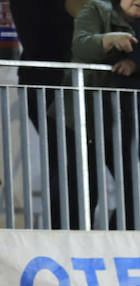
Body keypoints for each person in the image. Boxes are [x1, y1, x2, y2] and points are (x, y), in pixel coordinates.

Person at [72, 0, 140, 230]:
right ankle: (71, 249)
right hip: (87, 117)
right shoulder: (96, 8)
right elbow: (80, 46)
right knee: (82, 187)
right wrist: (107, 40)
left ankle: (117, 245)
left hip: (132, 120)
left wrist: (137, 62)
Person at [8, 0, 81, 229]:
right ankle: (63, 235)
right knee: (68, 167)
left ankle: (71, 235)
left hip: (69, 87)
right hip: (46, 86)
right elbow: (44, 41)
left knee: (77, 170)